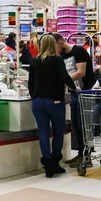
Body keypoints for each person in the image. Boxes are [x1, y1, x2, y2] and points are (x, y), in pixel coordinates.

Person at [28, 35, 79, 178]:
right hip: (55, 101)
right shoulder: (57, 60)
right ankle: (55, 162)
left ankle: (48, 165)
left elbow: (30, 82)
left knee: (43, 133)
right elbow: (65, 77)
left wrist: (34, 95)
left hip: (37, 102)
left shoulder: (34, 60)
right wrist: (74, 88)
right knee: (58, 132)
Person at [53, 33, 96, 168]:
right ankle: (80, 154)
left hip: (86, 92)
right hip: (75, 92)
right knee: (77, 125)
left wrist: (64, 83)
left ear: (61, 43)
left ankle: (87, 156)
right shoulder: (63, 55)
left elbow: (81, 72)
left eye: (55, 47)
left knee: (85, 125)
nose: (55, 51)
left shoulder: (79, 51)